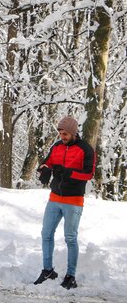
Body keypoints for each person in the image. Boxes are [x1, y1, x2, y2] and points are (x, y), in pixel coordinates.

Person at [33, 116, 95, 289]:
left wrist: (69, 172)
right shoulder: (57, 146)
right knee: (46, 233)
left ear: (74, 132)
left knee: (70, 237)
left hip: (73, 200)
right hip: (54, 198)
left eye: (65, 133)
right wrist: (44, 169)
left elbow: (88, 174)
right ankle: (47, 270)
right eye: (60, 133)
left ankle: (71, 276)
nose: (62, 136)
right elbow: (48, 162)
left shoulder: (85, 149)